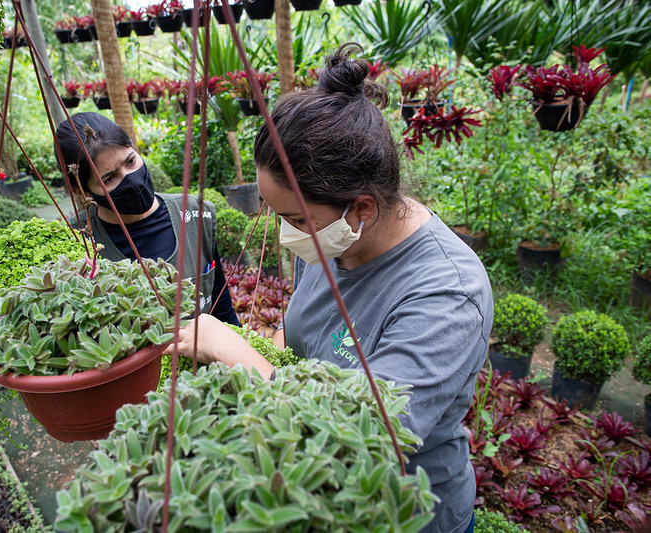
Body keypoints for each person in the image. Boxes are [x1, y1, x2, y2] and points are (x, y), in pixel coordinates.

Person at [166, 43, 493, 533]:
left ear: (361, 207)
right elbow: (302, 331)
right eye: (277, 216)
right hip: (313, 482)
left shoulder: (448, 291)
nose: (287, 234)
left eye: (297, 219)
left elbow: (366, 438)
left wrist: (240, 357)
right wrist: (262, 349)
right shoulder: (331, 239)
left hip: (401, 511)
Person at [55, 112, 239, 326]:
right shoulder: (77, 241)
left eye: (131, 161)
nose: (130, 179)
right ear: (81, 191)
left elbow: (220, 302)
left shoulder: (193, 212)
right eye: (110, 178)